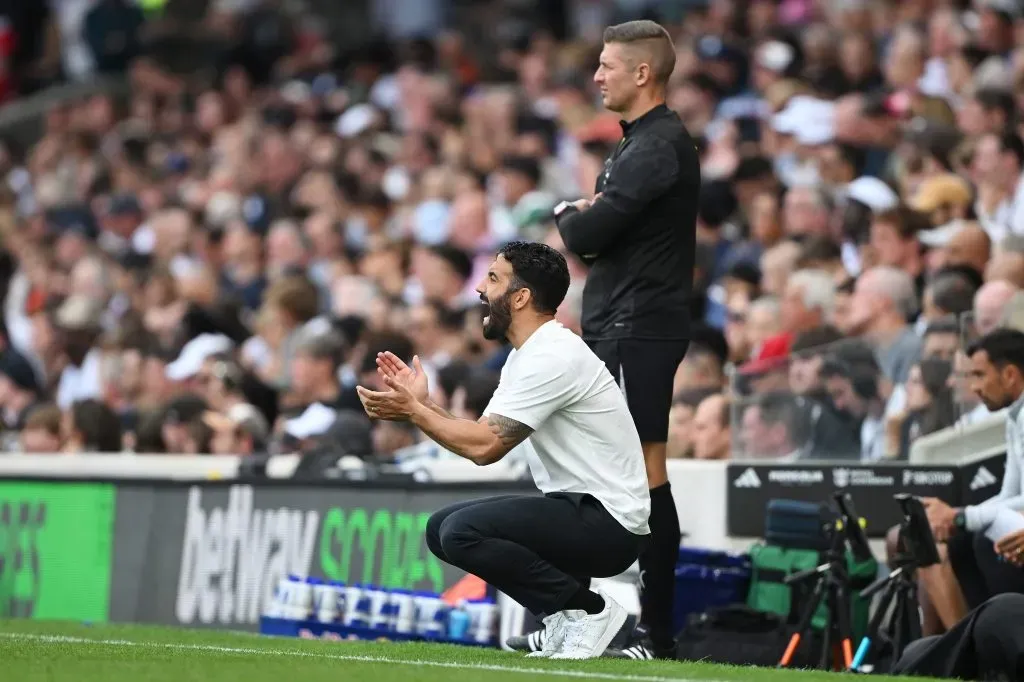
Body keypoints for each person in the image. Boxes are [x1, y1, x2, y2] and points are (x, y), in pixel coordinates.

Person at [355, 242, 650, 660]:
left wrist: (416, 414)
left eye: (492, 278)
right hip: (579, 511)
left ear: (521, 296)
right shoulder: (529, 355)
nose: (479, 288)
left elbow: (485, 449)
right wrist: (420, 405)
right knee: (441, 527)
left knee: (461, 531)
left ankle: (591, 611)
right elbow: (479, 432)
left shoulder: (552, 356)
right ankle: (566, 617)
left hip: (608, 522)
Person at [553, 19, 700, 660]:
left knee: (645, 474)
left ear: (643, 72)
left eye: (608, 65)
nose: (597, 76)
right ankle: (588, 621)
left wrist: (568, 215)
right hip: (621, 327)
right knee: (599, 476)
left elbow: (587, 235)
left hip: (638, 329)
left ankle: (656, 635)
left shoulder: (657, 146)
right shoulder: (635, 142)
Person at [923, 328, 1024, 613]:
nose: (974, 387)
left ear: (1010, 375)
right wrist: (962, 518)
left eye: (979, 375)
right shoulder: (1015, 417)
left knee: (982, 539)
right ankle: (967, 641)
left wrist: (962, 516)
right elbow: (1010, 494)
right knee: (958, 541)